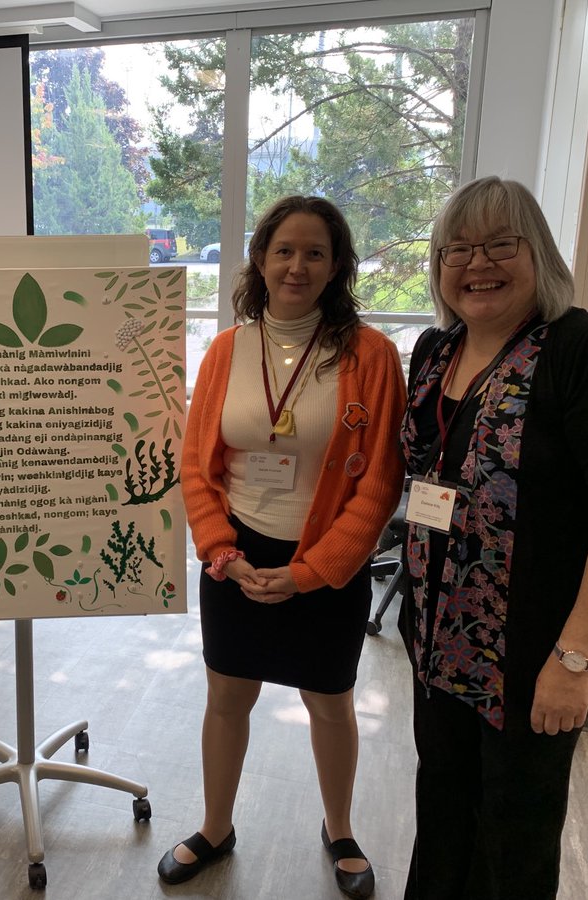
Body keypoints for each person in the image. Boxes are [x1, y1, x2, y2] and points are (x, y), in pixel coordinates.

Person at [399, 176, 588, 899]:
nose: (475, 262)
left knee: (515, 829)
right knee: (444, 809)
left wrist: (574, 662)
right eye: (456, 247)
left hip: (538, 651)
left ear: (538, 253)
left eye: (498, 243)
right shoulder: (434, 352)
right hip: (437, 638)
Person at [159, 196, 405, 899]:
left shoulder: (371, 356)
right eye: (284, 250)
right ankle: (215, 827)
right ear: (261, 260)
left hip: (327, 564)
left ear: (336, 267)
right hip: (234, 557)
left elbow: (380, 484)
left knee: (330, 699)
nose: (298, 265)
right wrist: (221, 553)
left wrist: (310, 574)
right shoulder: (227, 350)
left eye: (316, 252)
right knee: (227, 697)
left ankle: (340, 827)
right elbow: (196, 466)